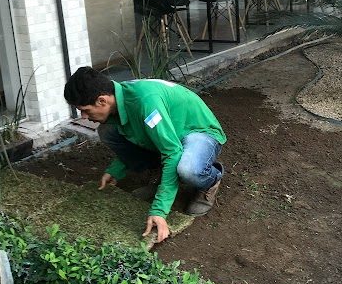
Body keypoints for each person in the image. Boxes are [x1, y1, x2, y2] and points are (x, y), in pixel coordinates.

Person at [63, 67, 226, 244]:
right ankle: (165, 174)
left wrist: (159, 211)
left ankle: (211, 180)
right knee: (108, 130)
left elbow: (172, 151)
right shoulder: (118, 99)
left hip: (197, 130)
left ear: (102, 100)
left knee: (188, 169)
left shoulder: (145, 104)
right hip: (170, 131)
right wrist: (116, 170)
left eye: (85, 110)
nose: (84, 117)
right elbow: (134, 132)